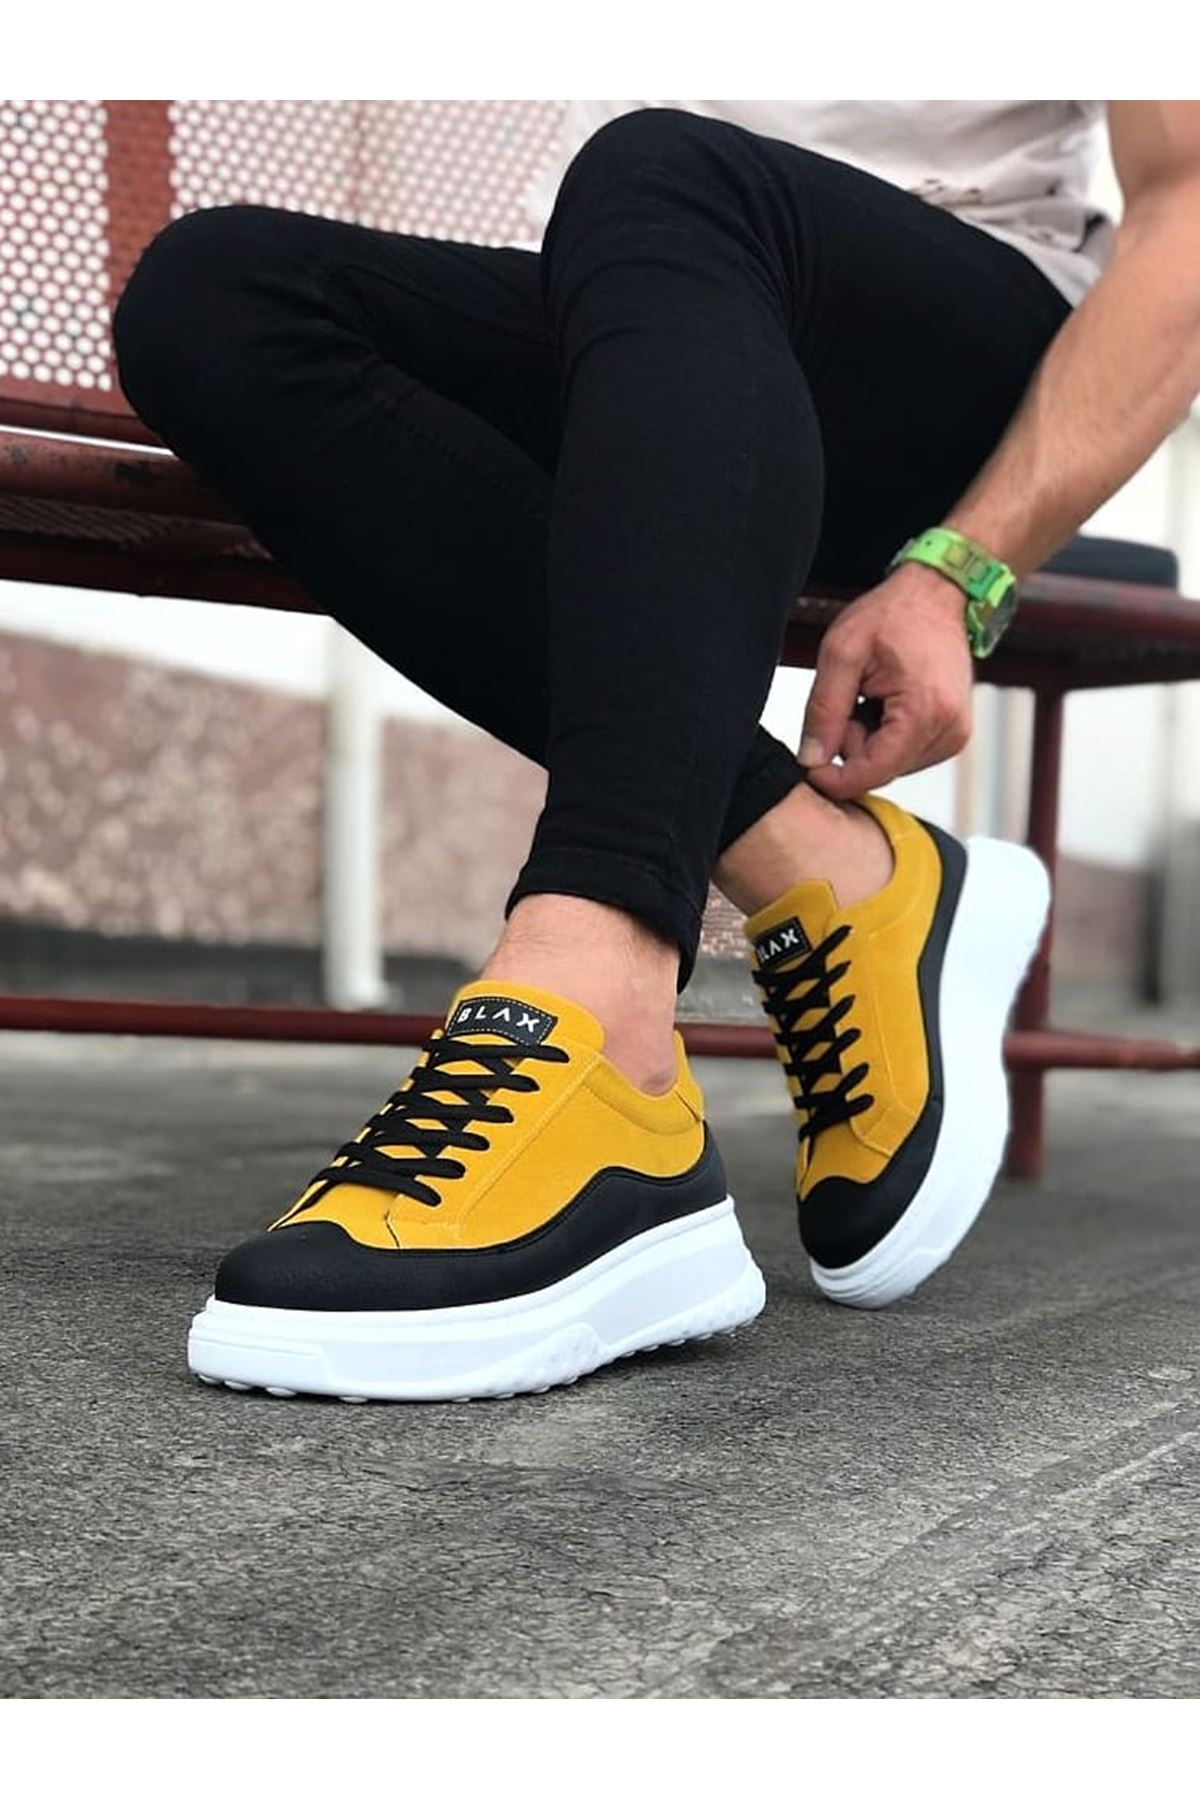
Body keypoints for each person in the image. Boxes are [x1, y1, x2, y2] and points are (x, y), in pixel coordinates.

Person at [112, 99, 1200, 1403]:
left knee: (663, 170)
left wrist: (962, 568)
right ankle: (832, 875)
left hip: (951, 349)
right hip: (641, 302)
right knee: (218, 294)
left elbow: (1188, 207)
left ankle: (604, 1013)